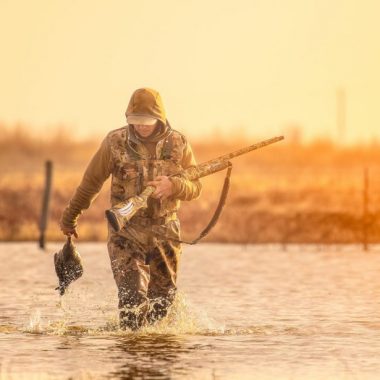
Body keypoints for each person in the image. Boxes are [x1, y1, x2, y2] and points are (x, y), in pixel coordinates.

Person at [60, 88, 202, 330]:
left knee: (162, 302)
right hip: (125, 231)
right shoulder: (115, 142)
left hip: (165, 231)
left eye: (146, 121)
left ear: (159, 118)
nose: (141, 127)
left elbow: (196, 187)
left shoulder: (179, 143)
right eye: (135, 121)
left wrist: (174, 185)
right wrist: (70, 217)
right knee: (132, 297)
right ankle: (129, 354)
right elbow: (91, 182)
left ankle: (154, 358)